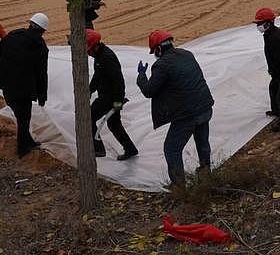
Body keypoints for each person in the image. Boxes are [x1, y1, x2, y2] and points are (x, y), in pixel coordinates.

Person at [136, 30, 214, 188]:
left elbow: (149, 91)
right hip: (205, 106)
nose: (155, 55)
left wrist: (141, 76)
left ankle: (179, 187)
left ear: (158, 49)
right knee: (202, 142)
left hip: (187, 114)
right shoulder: (187, 54)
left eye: (154, 52)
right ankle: (206, 175)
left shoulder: (162, 65)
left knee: (171, 148)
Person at [0, 13, 49, 158]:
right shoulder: (40, 48)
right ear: (42, 30)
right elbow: (42, 74)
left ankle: (27, 140)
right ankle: (22, 148)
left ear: (30, 24)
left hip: (7, 86)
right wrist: (42, 95)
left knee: (21, 116)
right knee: (24, 118)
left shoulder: (12, 36)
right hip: (24, 90)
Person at [87, 29, 138, 160]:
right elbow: (97, 76)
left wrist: (118, 102)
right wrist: (89, 90)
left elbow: (118, 81)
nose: (87, 53)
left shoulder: (107, 58)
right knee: (114, 124)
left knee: (88, 118)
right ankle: (131, 149)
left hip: (110, 97)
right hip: (107, 95)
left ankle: (98, 149)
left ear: (95, 46)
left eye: (88, 49)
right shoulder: (99, 56)